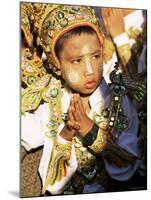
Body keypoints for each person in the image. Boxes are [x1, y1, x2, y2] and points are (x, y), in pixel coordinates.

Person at [21, 3, 146, 196]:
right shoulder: (51, 105)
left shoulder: (120, 98)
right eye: (77, 61)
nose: (90, 70)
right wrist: (67, 133)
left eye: (96, 56)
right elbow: (53, 184)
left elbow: (132, 168)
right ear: (57, 66)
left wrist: (90, 131)